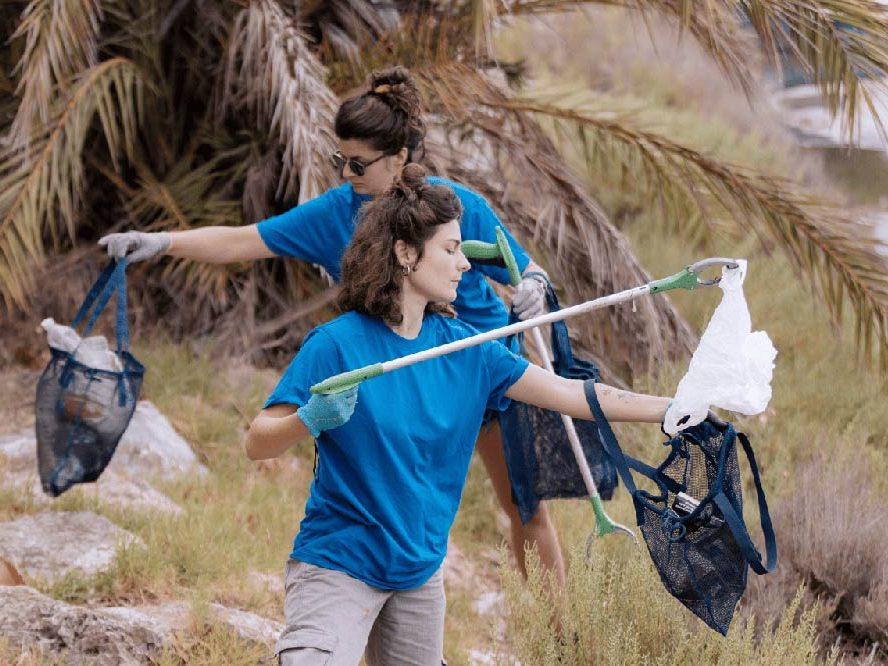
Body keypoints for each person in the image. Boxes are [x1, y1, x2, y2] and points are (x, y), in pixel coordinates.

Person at [100, 66, 567, 582]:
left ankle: (563, 644)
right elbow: (243, 240)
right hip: (401, 382)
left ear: (401, 158)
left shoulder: (450, 207)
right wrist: (160, 243)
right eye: (338, 159)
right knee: (389, 513)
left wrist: (533, 288)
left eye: (358, 163)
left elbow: (526, 269)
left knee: (525, 507)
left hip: (480, 371)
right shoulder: (335, 215)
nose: (346, 173)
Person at [244, 165, 671, 665]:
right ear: (405, 254)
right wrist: (310, 419)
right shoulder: (337, 345)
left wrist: (672, 408)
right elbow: (258, 442)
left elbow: (574, 394)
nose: (465, 265)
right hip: (338, 566)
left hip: (418, 574)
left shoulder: (471, 350)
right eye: (450, 249)